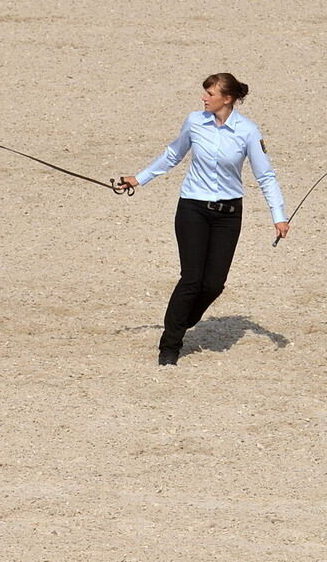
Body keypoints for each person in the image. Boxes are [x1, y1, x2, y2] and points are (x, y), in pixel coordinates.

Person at [119, 73, 289, 366]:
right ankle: (169, 347)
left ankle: (182, 319)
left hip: (229, 214)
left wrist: (279, 216)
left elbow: (265, 176)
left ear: (228, 98)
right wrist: (139, 179)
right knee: (192, 278)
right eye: (205, 93)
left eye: (210, 93)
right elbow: (173, 153)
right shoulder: (194, 122)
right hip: (193, 209)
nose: (204, 98)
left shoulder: (247, 131)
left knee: (213, 284)